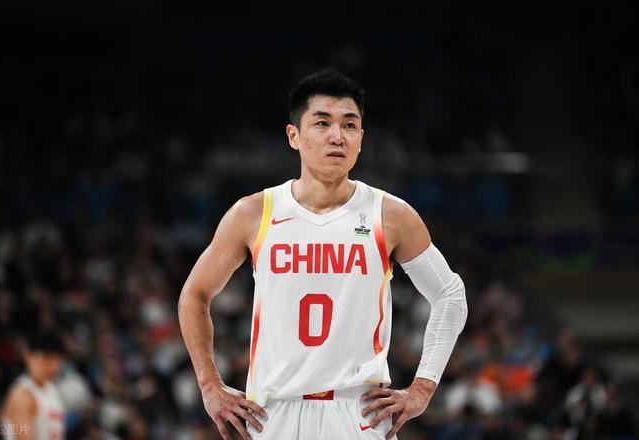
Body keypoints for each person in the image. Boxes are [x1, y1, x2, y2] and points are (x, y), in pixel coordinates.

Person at [178, 67, 468, 440]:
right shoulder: (253, 213)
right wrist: (209, 386)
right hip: (273, 413)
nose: (337, 136)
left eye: (350, 125)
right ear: (294, 136)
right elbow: (195, 294)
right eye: (322, 123)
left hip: (358, 412)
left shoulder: (390, 215)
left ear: (361, 138)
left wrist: (423, 387)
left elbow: (450, 294)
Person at [1, 329, 65, 439]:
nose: (52, 366)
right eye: (46, 359)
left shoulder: (52, 389)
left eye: (56, 359)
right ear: (28, 356)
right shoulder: (21, 395)